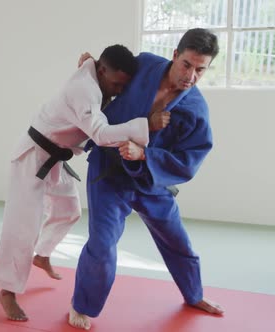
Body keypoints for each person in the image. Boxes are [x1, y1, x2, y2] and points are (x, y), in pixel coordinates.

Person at [0, 44, 165, 322]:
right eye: (116, 84)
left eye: (124, 86)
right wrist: (148, 124)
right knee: (22, 226)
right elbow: (100, 134)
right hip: (31, 158)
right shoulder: (85, 90)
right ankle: (7, 291)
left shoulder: (96, 76)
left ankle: (42, 255)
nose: (118, 90)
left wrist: (91, 62)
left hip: (54, 159)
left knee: (69, 210)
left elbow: (98, 79)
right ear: (102, 70)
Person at [68, 28, 224, 330]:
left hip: (150, 180)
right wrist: (89, 69)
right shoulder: (145, 65)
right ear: (175, 55)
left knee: (179, 242)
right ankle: (82, 305)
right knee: (102, 244)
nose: (191, 76)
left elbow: (188, 161)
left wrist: (144, 156)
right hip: (109, 170)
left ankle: (194, 295)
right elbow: (108, 80)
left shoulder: (195, 109)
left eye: (201, 70)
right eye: (187, 65)